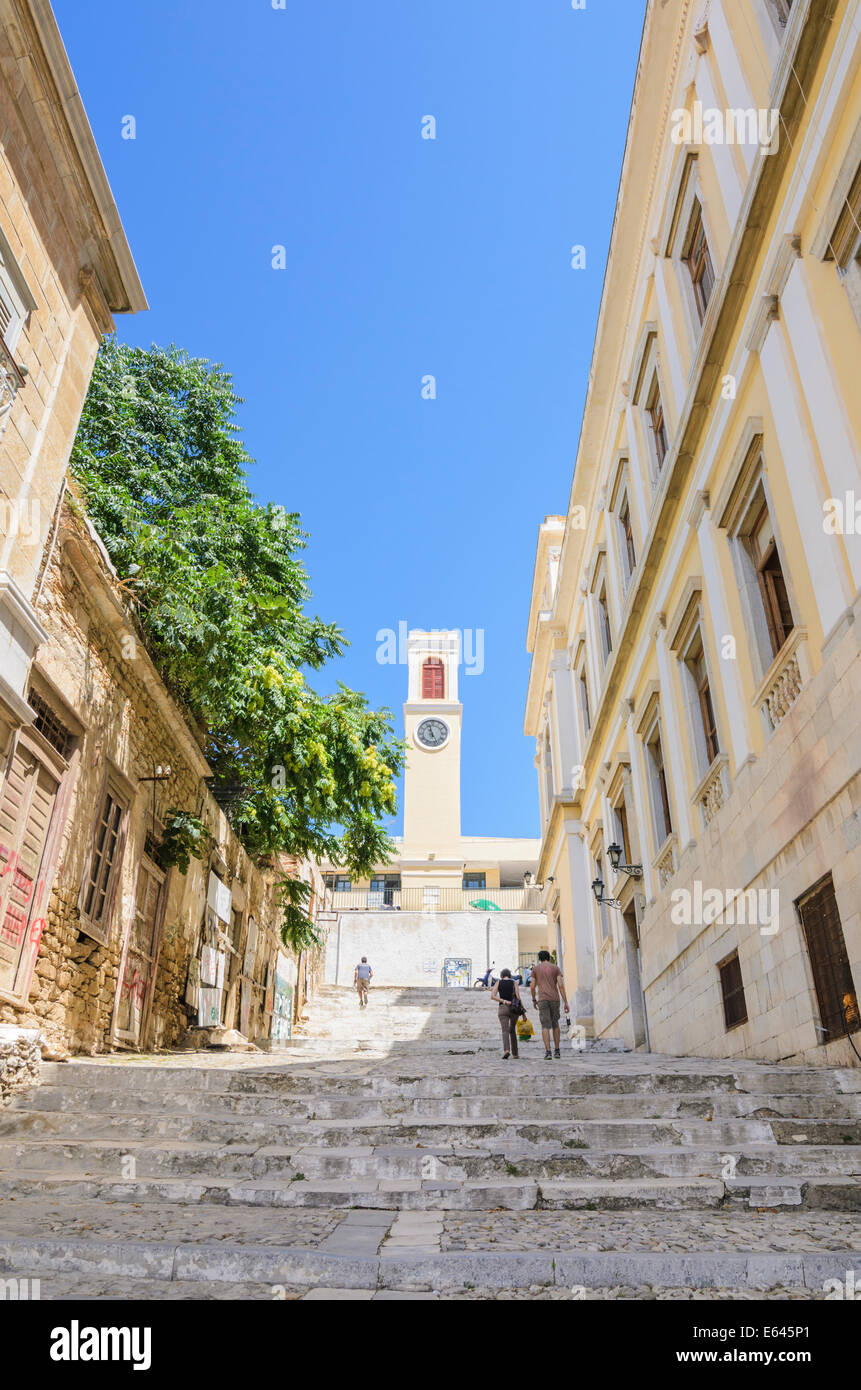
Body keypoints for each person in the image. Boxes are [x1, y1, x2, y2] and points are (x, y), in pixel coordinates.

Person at [530, 949, 569, 1059]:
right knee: (555, 1024)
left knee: (545, 1026)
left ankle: (548, 1052)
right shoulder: (556, 968)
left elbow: (532, 986)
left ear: (539, 959)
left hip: (542, 999)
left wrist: (533, 999)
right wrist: (565, 1002)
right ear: (548, 957)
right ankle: (557, 1051)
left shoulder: (535, 969)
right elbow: (560, 986)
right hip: (555, 999)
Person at [491, 968, 524, 1059]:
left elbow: (492, 996)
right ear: (509, 975)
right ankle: (515, 1054)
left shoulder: (498, 982)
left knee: (504, 1031)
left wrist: (504, 1001)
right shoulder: (514, 983)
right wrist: (523, 1013)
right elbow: (518, 997)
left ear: (501, 975)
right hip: (514, 1009)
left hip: (503, 1008)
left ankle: (506, 1050)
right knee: (512, 1030)